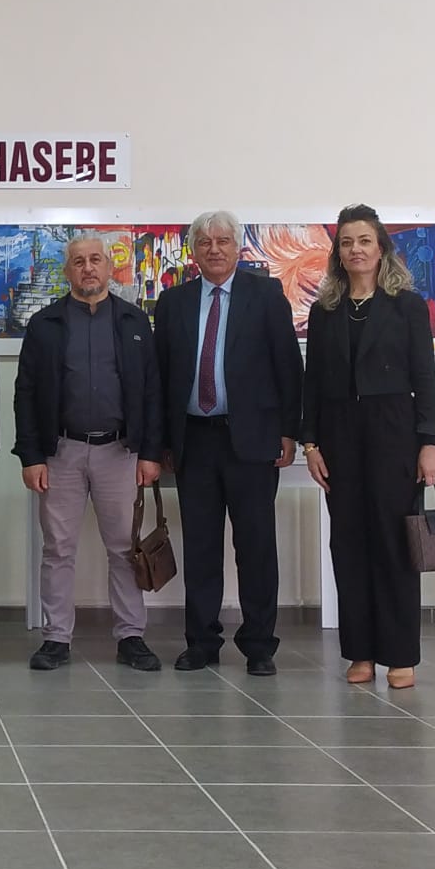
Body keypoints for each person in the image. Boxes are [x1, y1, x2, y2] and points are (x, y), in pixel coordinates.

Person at [153, 210, 302, 677]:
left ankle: (259, 645)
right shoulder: (173, 302)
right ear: (193, 251)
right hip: (194, 440)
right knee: (200, 547)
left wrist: (290, 431)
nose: (214, 249)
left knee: (256, 546)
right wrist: (162, 442)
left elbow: (288, 367)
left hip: (253, 441)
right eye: (205, 242)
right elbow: (161, 378)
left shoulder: (266, 296)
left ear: (238, 248)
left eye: (222, 241)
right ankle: (201, 642)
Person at [301, 204, 435, 690]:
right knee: (348, 545)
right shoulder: (325, 310)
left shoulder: (407, 306)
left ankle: (400, 655)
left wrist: (429, 441)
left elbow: (425, 378)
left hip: (393, 433)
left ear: (381, 247)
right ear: (337, 253)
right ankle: (359, 651)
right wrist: (311, 444)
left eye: (363, 240)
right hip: (339, 436)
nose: (355, 249)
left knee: (393, 544)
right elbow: (312, 384)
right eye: (346, 242)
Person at [13, 233, 166, 672]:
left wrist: (150, 453)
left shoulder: (134, 322)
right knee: (58, 549)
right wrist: (31, 456)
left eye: (95, 259)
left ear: (108, 267)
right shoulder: (45, 324)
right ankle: (56, 638)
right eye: (78, 262)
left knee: (124, 548)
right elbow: (26, 394)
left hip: (119, 451)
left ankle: (131, 636)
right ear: (68, 271)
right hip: (60, 452)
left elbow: (152, 391)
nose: (88, 268)